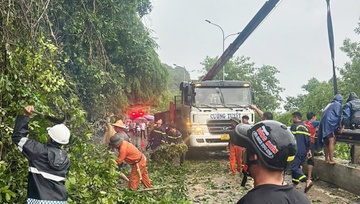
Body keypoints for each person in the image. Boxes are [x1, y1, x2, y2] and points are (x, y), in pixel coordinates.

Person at [233, 120, 310, 204]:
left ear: (254, 156)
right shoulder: (302, 199)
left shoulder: (250, 201)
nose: (244, 151)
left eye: (246, 149)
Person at [12, 106, 71, 203]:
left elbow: (18, 137)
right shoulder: (66, 159)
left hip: (38, 200)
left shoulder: (38, 151)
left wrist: (26, 116)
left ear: (50, 137)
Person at [290, 112, 313, 193]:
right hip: (303, 151)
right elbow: (308, 140)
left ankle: (307, 180)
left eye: (292, 118)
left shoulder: (294, 126)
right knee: (297, 167)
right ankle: (294, 185)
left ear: (295, 117)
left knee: (293, 166)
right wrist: (309, 150)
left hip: (296, 151)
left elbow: (291, 139)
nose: (292, 119)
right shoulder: (305, 127)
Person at [317, 94, 343, 164]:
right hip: (330, 124)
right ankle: (331, 159)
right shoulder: (338, 105)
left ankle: (326, 159)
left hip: (323, 124)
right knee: (331, 141)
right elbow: (338, 116)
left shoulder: (329, 105)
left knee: (326, 142)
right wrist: (340, 127)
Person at [339, 92, 360, 162]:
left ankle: (353, 160)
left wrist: (343, 125)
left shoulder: (348, 104)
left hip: (354, 125)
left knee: (354, 142)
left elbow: (346, 116)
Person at [303, 112, 319, 183]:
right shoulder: (314, 123)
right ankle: (309, 177)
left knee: (301, 158)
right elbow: (324, 123)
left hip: (303, 142)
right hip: (311, 142)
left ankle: (299, 176)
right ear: (313, 117)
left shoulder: (303, 123)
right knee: (310, 160)